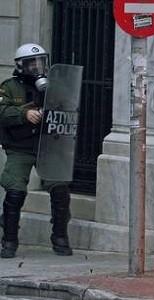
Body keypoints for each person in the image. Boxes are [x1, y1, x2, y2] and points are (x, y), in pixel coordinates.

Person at [0, 43, 72, 258]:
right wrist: (24, 114)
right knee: (15, 190)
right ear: (21, 66)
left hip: (49, 146)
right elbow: (1, 111)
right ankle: (9, 240)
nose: (36, 67)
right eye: (31, 63)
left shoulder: (54, 86)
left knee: (60, 188)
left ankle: (60, 237)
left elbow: (69, 109)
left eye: (40, 62)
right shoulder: (9, 87)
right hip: (20, 147)